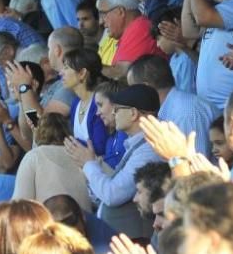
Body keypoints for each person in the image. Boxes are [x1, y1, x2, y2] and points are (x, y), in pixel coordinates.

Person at [65, 84, 163, 238]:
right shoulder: (136, 144)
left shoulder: (149, 149)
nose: (113, 113)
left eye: (117, 110)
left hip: (135, 239)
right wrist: (89, 171)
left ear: (132, 113)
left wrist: (89, 164)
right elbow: (105, 194)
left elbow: (113, 194)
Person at [126, 55, 216, 157]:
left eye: (132, 89)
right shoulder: (171, 108)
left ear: (145, 88)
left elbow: (197, 165)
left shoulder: (185, 113)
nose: (131, 95)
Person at [96, 0, 160, 79]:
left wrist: (89, 68)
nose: (101, 21)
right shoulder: (130, 30)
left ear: (120, 12)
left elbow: (121, 74)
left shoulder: (139, 27)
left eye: (104, 14)